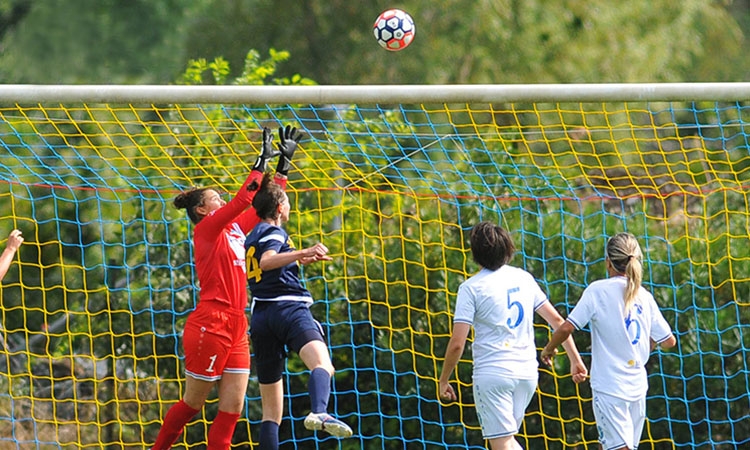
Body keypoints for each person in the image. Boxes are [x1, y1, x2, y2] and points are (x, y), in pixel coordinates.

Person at [151, 125, 302, 450]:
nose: (221, 200)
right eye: (214, 198)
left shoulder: (234, 230)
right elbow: (244, 197)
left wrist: (283, 167)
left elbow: (265, 206)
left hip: (237, 325)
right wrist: (260, 159)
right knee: (193, 404)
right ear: (202, 210)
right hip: (211, 323)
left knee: (232, 410)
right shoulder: (207, 229)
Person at [438, 221, 587, 450]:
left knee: (502, 442)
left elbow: (458, 343)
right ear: (507, 249)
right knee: (506, 440)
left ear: (475, 254)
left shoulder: (471, 288)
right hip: (526, 374)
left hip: (493, 374)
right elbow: (558, 321)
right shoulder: (523, 278)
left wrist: (444, 379)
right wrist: (575, 360)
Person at [245, 172, 353, 450]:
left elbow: (270, 264)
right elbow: (268, 261)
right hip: (288, 309)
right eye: (288, 202)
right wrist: (302, 250)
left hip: (261, 318)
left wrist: (300, 257)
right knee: (323, 364)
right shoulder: (273, 231)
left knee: (271, 412)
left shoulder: (251, 236)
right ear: (280, 208)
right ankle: (319, 410)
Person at [541, 232, 677, 450]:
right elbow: (669, 341)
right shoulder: (644, 295)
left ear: (608, 262)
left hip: (609, 387)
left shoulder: (598, 290)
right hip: (637, 386)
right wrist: (641, 348)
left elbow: (567, 327)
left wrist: (548, 349)